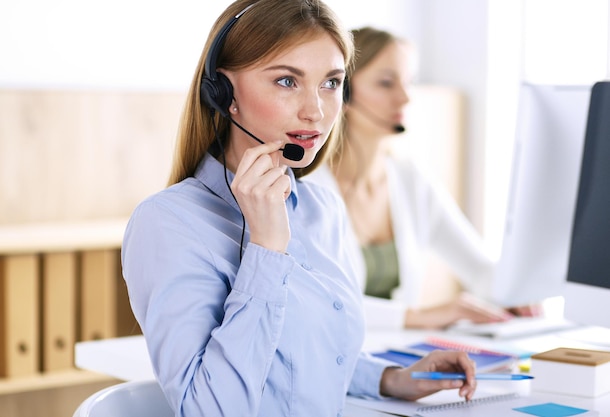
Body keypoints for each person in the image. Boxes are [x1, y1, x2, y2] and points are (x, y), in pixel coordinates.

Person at [121, 2, 479, 416]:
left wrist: (391, 378)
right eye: (288, 81)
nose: (317, 110)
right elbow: (211, 408)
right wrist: (267, 248)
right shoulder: (168, 224)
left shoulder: (320, 208)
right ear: (223, 93)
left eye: (330, 83)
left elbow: (302, 362)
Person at [305, 26, 538, 331]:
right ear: (342, 89)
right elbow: (315, 303)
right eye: (387, 83)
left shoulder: (410, 180)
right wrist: (420, 317)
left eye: (408, 83)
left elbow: (479, 269)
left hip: (400, 357)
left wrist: (517, 293)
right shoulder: (307, 186)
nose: (404, 98)